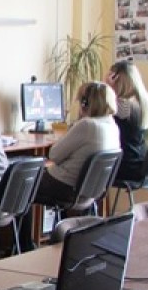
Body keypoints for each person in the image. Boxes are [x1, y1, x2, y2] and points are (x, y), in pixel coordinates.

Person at [33, 82, 120, 210]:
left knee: (20, 181)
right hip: (88, 193)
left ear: (85, 103)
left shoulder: (87, 125)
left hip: (66, 188)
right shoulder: (113, 126)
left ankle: (19, 224)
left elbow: (54, 155)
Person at [106, 59, 148, 182]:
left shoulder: (124, 105)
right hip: (138, 161)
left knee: (86, 170)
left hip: (126, 166)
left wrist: (107, 87)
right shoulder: (143, 102)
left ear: (118, 79)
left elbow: (99, 106)